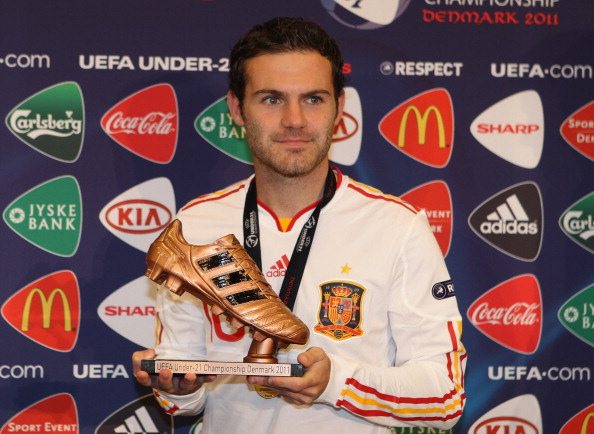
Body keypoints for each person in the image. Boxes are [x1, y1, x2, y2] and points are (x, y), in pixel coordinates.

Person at [133, 16, 466, 433]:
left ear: (339, 108)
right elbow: (179, 396)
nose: (294, 119)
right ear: (236, 108)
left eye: (313, 99)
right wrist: (179, 387)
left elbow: (445, 395)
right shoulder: (194, 225)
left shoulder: (397, 226)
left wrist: (336, 382)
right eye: (272, 99)